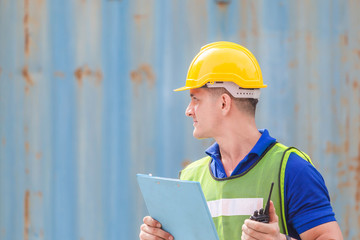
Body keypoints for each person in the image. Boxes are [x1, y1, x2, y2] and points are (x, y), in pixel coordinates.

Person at [139, 41, 343, 240]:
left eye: (195, 99)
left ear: (224, 103)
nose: (188, 110)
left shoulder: (292, 169)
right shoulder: (190, 178)